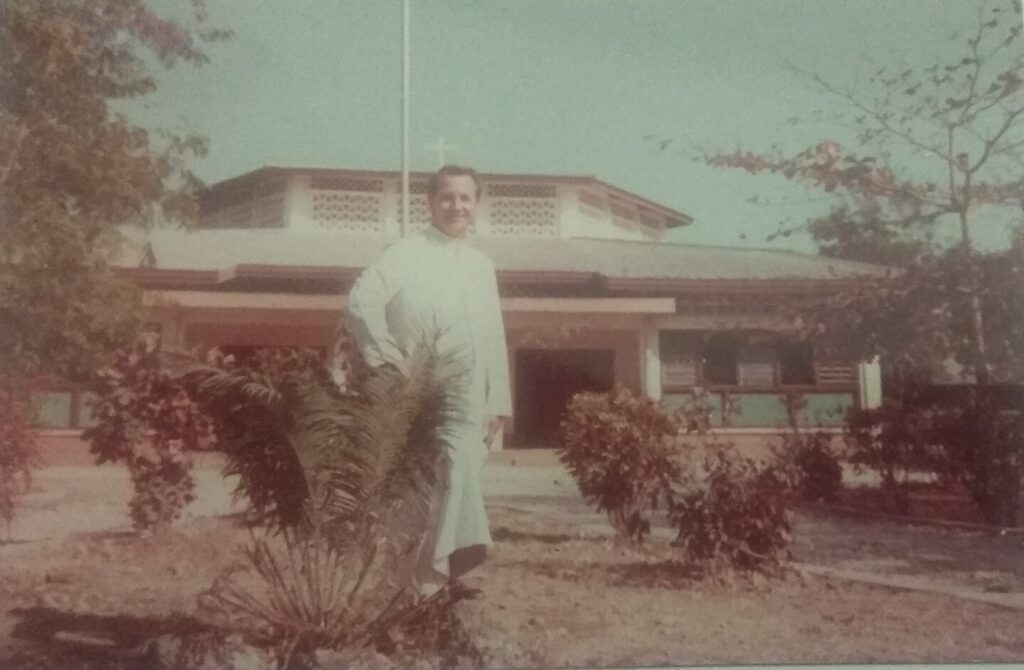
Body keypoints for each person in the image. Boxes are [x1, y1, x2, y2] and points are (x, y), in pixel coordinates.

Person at [344, 165, 512, 597]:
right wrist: (389, 361)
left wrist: (498, 402)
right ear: (431, 202)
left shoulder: (481, 265)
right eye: (447, 197)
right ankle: (411, 589)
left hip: (471, 399)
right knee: (424, 488)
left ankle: (439, 581)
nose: (457, 206)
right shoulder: (407, 251)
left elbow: (492, 334)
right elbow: (361, 301)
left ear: (476, 204)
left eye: (465, 198)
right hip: (422, 394)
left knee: (459, 484)